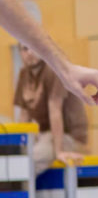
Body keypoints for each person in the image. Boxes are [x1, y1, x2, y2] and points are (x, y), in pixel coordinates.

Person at [13, 33, 91, 175]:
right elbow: (24, 116)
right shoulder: (24, 74)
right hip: (45, 135)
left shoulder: (54, 70)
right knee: (16, 160)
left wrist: (59, 151)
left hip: (68, 136)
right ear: (20, 53)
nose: (29, 53)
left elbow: (55, 111)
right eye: (25, 49)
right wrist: (19, 146)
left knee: (29, 162)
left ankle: (18, 196)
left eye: (33, 48)